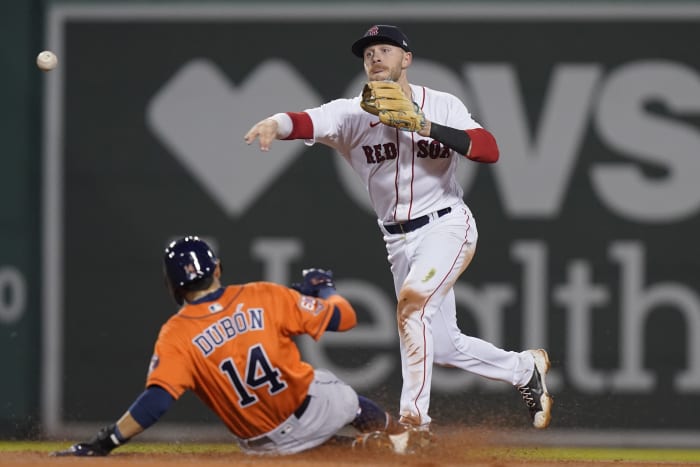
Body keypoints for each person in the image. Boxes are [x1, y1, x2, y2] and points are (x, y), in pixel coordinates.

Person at [244, 24, 553, 432]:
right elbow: (302, 121)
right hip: (398, 242)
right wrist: (274, 124)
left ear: (406, 59)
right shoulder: (351, 114)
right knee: (441, 344)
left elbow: (488, 149)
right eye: (368, 52)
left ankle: (414, 424)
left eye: (385, 49)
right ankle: (523, 368)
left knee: (412, 307)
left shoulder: (441, 105)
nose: (375, 57)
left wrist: (425, 126)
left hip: (447, 225)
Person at [51, 235, 426, 457]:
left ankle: (361, 452)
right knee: (338, 391)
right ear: (217, 268)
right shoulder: (262, 295)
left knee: (306, 449)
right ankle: (402, 438)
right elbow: (344, 318)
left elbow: (157, 401)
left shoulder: (176, 334)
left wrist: (105, 442)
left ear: (172, 286)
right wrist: (324, 287)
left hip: (261, 447)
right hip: (315, 411)